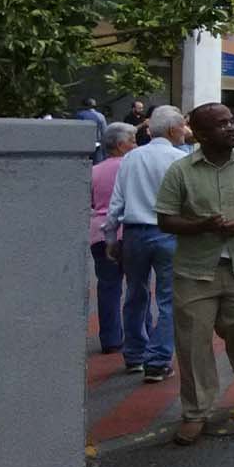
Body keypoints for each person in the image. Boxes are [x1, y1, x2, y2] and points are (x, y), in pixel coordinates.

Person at [155, 102, 234, 445]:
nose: (232, 127)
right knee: (193, 343)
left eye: (232, 121)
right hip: (195, 272)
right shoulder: (180, 171)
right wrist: (200, 226)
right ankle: (196, 412)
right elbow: (164, 218)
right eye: (222, 124)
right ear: (200, 133)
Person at [102, 106, 189, 382]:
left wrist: (110, 236)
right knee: (168, 299)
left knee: (135, 295)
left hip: (134, 232)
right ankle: (158, 360)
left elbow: (117, 201)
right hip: (169, 233)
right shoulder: (181, 159)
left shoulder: (132, 158)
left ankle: (135, 354)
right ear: (174, 129)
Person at [90, 122, 137, 355]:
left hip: (98, 233)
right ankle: (137, 339)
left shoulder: (94, 170)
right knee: (136, 289)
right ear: (121, 145)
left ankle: (110, 338)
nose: (136, 145)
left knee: (108, 287)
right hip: (128, 231)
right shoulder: (132, 168)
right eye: (133, 140)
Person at [76, 97, 108, 164]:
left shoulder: (80, 115)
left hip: (83, 145)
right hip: (97, 145)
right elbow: (104, 132)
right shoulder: (100, 116)